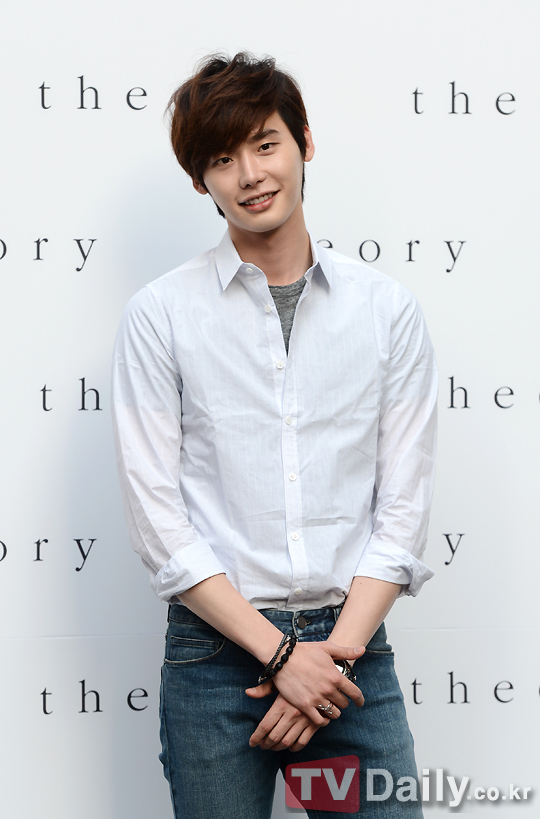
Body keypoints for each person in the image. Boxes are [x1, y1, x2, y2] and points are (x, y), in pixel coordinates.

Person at [111, 52, 437, 819]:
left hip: (351, 652)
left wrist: (326, 660)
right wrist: (281, 654)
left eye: (265, 144)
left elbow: (403, 510)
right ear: (200, 180)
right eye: (223, 159)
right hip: (214, 659)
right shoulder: (161, 315)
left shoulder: (387, 311)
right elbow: (158, 518)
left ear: (304, 142)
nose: (250, 175)